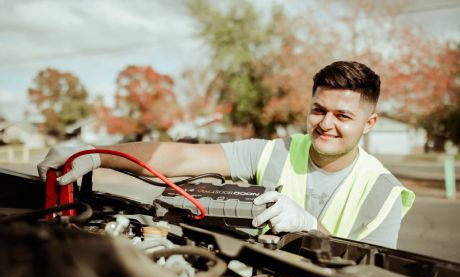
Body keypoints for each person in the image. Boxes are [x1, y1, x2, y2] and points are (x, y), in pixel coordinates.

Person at [38, 61, 414, 248]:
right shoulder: (273, 151)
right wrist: (94, 153)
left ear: (370, 123)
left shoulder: (383, 194)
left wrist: (312, 228)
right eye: (319, 110)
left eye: (343, 116)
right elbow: (182, 159)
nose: (325, 124)